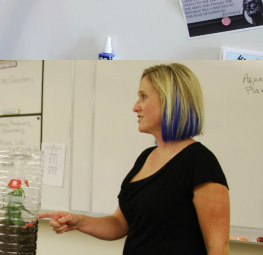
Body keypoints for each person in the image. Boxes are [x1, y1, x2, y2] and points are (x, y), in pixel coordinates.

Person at [39, 63, 230, 255]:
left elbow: (218, 250)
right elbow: (120, 224)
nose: (135, 107)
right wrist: (80, 221)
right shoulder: (146, 157)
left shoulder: (200, 162)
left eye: (143, 97)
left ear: (169, 100)